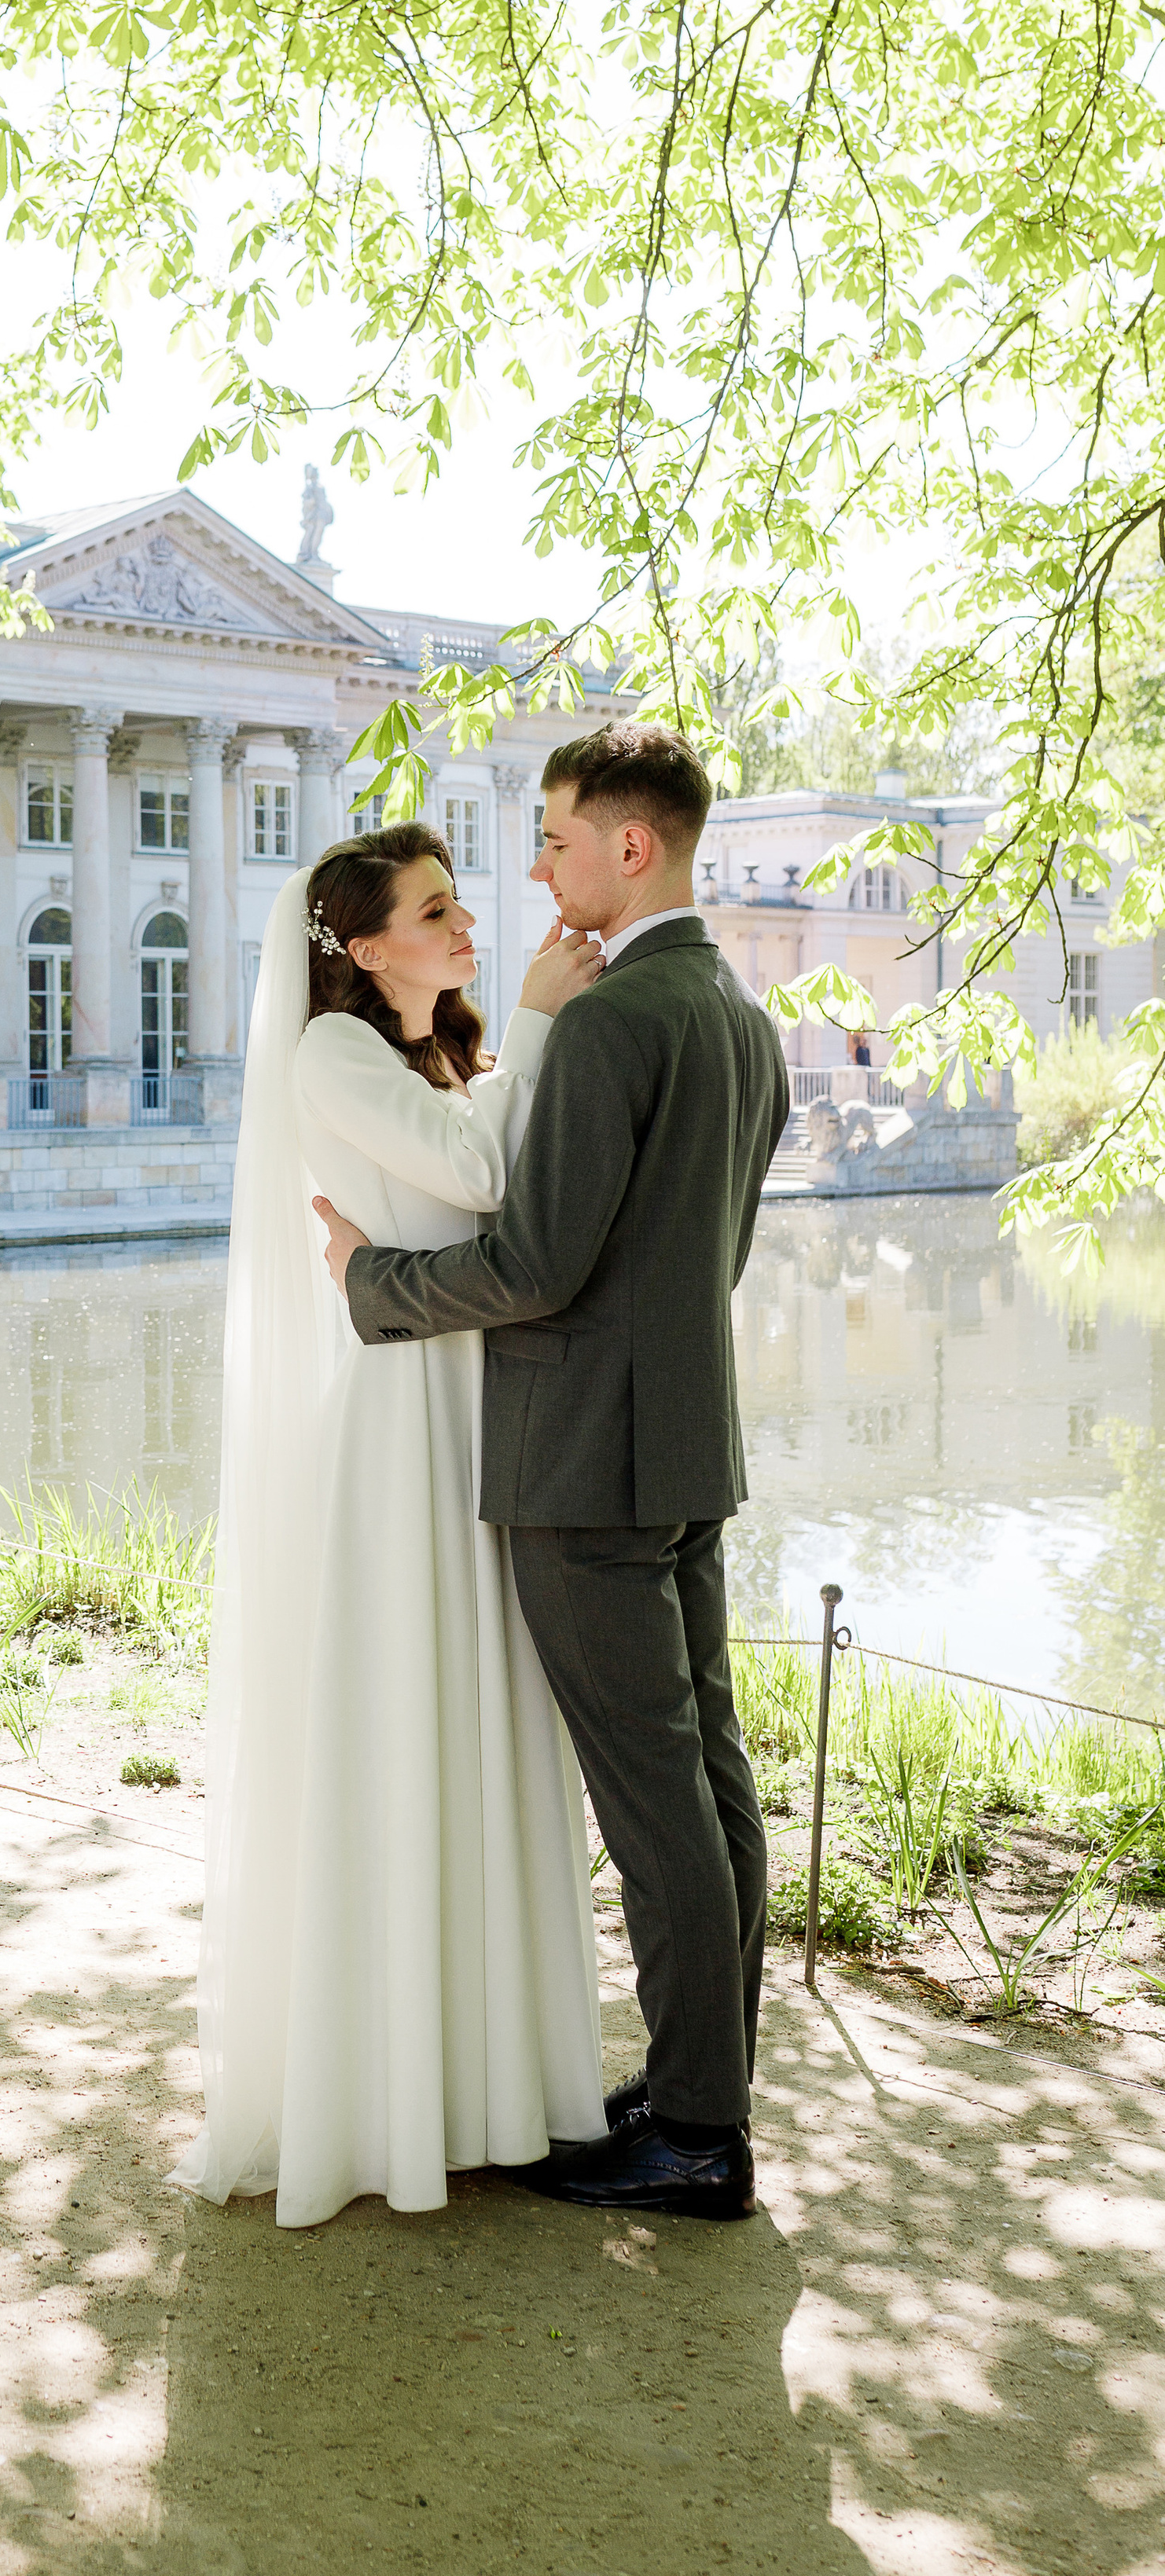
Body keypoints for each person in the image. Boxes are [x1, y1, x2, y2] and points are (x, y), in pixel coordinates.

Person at [314, 725, 791, 2222]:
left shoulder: (601, 1025)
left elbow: (531, 1261)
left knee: (657, 1805)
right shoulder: (735, 1012)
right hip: (686, 1442)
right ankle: (701, 2083)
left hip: (582, 1463)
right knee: (711, 1782)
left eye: (555, 839)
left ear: (630, 848)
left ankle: (700, 2132)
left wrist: (373, 1280)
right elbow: (702, 1254)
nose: (535, 868)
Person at [173, 823, 610, 2229]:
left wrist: (510, 1053)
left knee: (481, 1728)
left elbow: (499, 1189)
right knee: (403, 1730)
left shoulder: (440, 1055)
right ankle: (385, 2091)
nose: (466, 922)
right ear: (363, 948)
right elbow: (481, 1181)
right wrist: (539, 1024)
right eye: (433, 910)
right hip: (398, 1432)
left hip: (473, 1410)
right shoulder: (331, 1057)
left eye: (457, 901)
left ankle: (485, 2084)